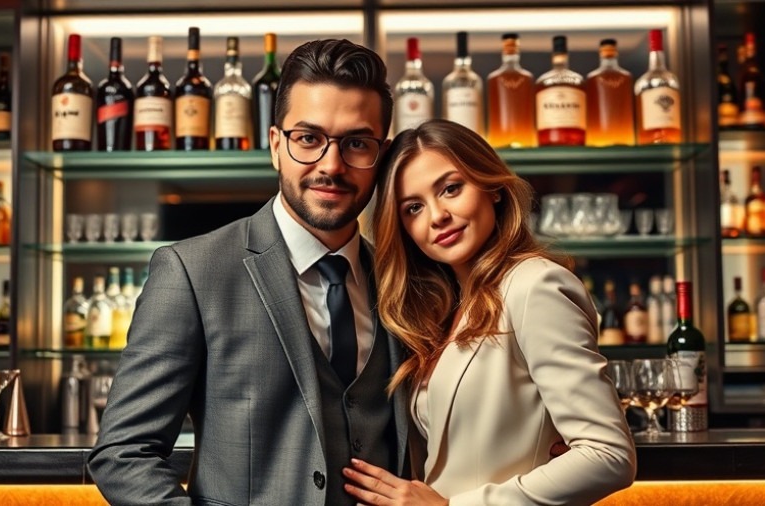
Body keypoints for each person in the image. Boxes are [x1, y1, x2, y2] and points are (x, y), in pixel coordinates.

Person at [88, 39, 410, 506]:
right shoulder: (192, 271)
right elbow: (123, 453)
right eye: (308, 139)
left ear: (380, 155)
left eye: (357, 143)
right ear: (276, 145)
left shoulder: (402, 278)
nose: (331, 165)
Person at [343, 119, 637, 506]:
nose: (437, 216)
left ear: (492, 187)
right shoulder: (446, 309)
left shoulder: (536, 286)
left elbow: (608, 455)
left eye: (451, 189)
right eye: (414, 207)